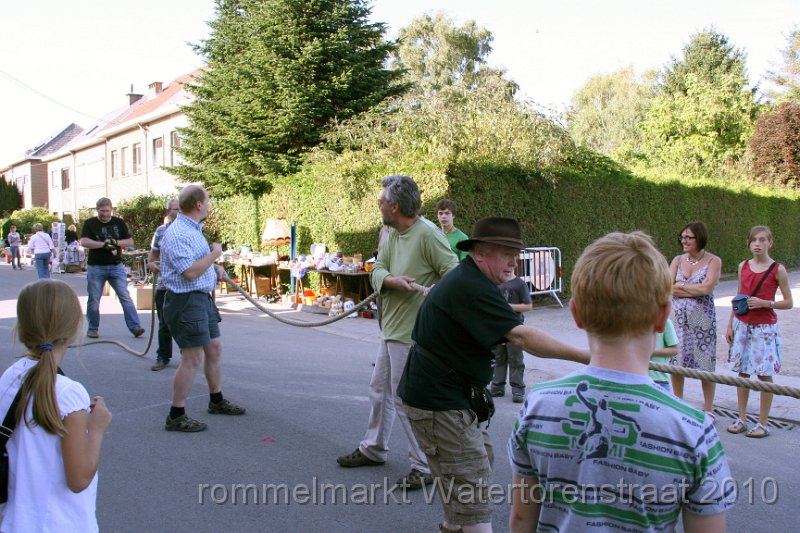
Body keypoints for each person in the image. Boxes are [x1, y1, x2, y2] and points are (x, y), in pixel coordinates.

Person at [508, 232, 732, 533]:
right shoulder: (693, 429)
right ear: (662, 316)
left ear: (576, 314)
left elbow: (522, 519)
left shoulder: (536, 405)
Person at [398, 217, 590, 533]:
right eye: (505, 253)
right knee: (473, 497)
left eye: (516, 254)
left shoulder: (473, 281)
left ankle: (455, 525)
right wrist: (589, 356)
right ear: (480, 253)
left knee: (473, 472)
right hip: (439, 403)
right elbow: (522, 337)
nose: (514, 262)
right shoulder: (472, 287)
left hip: (444, 399)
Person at [336, 175, 459, 490]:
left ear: (394, 206)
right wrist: (391, 281)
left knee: (407, 400)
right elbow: (377, 268)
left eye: (381, 201)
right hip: (391, 329)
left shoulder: (428, 234)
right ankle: (373, 448)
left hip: (412, 335)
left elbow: (455, 276)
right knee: (379, 392)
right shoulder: (394, 233)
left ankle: (424, 465)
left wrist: (436, 292)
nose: (378, 204)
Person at [0, 279, 112, 531]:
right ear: (74, 327)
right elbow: (79, 479)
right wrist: (96, 429)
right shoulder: (69, 393)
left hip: (18, 522)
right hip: (63, 523)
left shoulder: (11, 376)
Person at [159, 185, 245, 432]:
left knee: (214, 348)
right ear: (198, 204)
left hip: (200, 299)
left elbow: (196, 264)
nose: (209, 205)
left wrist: (213, 268)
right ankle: (176, 414)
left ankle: (216, 401)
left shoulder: (193, 230)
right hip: (185, 301)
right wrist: (215, 255)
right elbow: (189, 272)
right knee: (192, 357)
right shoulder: (177, 234)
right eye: (207, 201)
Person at [726, 226, 793, 438]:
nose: (757, 243)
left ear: (770, 243)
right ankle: (742, 419)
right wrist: (730, 325)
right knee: (742, 374)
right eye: (754, 239)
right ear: (748, 243)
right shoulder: (742, 266)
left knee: (765, 375)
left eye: (762, 240)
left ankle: (763, 423)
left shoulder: (777, 269)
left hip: (765, 329)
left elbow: (789, 302)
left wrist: (767, 303)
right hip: (742, 327)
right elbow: (738, 297)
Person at [669, 221, 721, 420]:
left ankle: (709, 409)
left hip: (702, 319)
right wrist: (692, 289)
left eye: (688, 237)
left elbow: (707, 289)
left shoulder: (713, 261)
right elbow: (666, 286)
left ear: (699, 238)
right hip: (677, 318)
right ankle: (678, 403)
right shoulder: (677, 260)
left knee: (704, 361)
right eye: (682, 237)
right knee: (676, 361)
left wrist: (680, 285)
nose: (684, 241)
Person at [80, 197, 145, 339]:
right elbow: (84, 241)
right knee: (94, 299)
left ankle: (135, 327)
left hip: (116, 266)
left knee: (125, 296)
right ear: (97, 210)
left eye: (107, 211)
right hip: (96, 267)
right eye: (102, 211)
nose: (105, 214)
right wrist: (103, 244)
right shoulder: (90, 224)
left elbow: (130, 241)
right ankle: (92, 328)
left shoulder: (119, 223)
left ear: (111, 209)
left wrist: (115, 242)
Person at [488, 266, 532, 402]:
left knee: (516, 359)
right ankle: (497, 387)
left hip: (515, 328)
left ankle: (518, 390)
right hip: (498, 328)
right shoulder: (496, 283)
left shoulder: (520, 284)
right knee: (499, 358)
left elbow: (528, 306)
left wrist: (508, 306)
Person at [147, 198, 180, 371]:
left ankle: (189, 355)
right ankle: (163, 356)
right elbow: (152, 258)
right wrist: (152, 265)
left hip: (184, 286)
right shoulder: (161, 231)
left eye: (182, 209)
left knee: (185, 322)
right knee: (164, 323)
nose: (180, 212)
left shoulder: (192, 230)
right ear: (168, 211)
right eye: (176, 209)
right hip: (164, 285)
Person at [649, 317, 678, 392]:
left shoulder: (665, 322)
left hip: (659, 379)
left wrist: (651, 352)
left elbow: (675, 350)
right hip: (636, 376)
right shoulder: (634, 319)